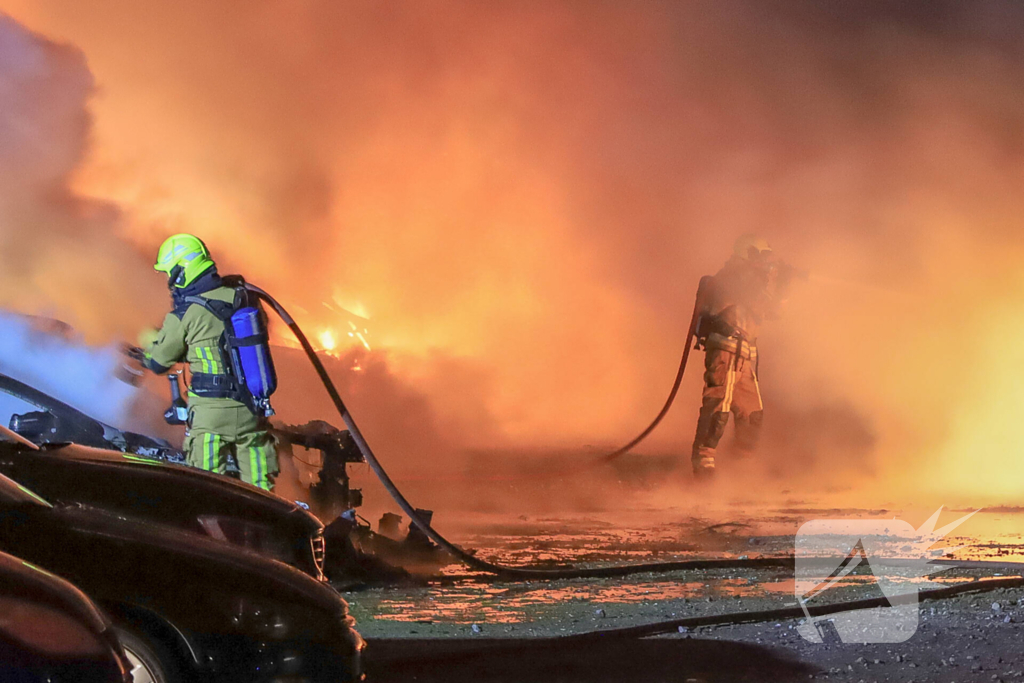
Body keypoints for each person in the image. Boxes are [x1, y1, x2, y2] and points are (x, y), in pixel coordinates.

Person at [140, 234, 278, 490]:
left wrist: (148, 345)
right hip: (252, 412)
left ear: (182, 270)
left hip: (210, 417)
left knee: (208, 490)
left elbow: (158, 362)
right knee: (262, 491)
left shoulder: (185, 313)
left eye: (170, 273)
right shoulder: (244, 297)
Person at [690, 234, 799, 478]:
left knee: (752, 414)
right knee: (718, 408)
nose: (767, 262)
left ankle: (740, 468)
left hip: (744, 354)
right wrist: (777, 280)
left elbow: (771, 311)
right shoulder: (730, 277)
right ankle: (703, 464)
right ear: (749, 254)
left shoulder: (751, 279)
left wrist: (782, 283)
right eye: (763, 257)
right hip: (725, 351)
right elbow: (760, 302)